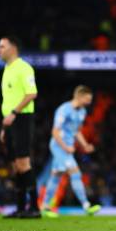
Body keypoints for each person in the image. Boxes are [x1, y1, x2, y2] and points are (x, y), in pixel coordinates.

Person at [41, 85, 101, 217]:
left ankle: (45, 206)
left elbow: (76, 131)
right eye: (87, 99)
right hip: (58, 146)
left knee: (56, 175)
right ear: (78, 96)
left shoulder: (82, 112)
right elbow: (55, 132)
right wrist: (65, 147)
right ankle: (86, 205)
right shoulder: (64, 110)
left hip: (67, 147)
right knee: (75, 172)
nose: (89, 102)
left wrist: (85, 145)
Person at [0, 36, 40, 219]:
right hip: (10, 122)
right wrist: (4, 127)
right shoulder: (7, 69)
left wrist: (14, 113)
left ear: (13, 48)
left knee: (24, 163)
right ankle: (21, 208)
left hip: (22, 119)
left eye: (2, 46)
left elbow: (32, 93)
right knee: (16, 165)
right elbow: (8, 101)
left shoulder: (24, 68)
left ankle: (35, 208)